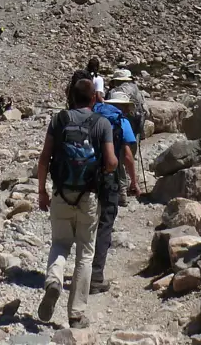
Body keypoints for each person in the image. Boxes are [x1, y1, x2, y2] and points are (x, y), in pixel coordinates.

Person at [37, 78, 116, 329]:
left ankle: (53, 281)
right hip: (89, 197)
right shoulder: (101, 123)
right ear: (94, 98)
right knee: (85, 253)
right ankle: (76, 314)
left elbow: (44, 158)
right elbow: (112, 161)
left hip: (61, 193)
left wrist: (42, 191)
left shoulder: (59, 120)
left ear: (71, 96)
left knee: (60, 243)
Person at [90, 91, 140, 294]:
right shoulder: (121, 121)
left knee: (87, 222)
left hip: (87, 175)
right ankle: (95, 276)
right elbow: (127, 155)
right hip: (109, 177)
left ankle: (80, 270)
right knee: (105, 224)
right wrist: (133, 181)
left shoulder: (93, 114)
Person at [107, 68, 147, 204]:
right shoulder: (136, 89)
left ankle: (121, 190)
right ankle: (130, 184)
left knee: (119, 155)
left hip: (120, 125)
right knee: (128, 155)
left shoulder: (114, 92)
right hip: (134, 125)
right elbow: (144, 109)